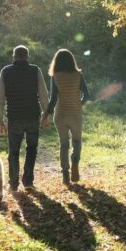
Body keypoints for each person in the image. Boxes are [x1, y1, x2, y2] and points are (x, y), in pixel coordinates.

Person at [0, 45, 49, 191]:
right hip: (32, 117)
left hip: (14, 118)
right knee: (31, 149)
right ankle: (28, 181)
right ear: (27, 57)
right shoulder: (35, 70)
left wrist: (0, 121)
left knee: (13, 152)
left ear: (14, 57)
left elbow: (0, 99)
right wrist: (46, 115)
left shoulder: (5, 71)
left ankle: (13, 184)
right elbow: (44, 96)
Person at [45, 48, 90, 185]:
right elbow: (86, 95)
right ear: (71, 61)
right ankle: (75, 162)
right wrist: (79, 103)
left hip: (60, 115)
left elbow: (52, 99)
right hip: (75, 114)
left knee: (64, 144)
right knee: (76, 141)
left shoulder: (55, 76)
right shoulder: (78, 75)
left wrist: (46, 113)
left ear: (56, 62)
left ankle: (65, 174)